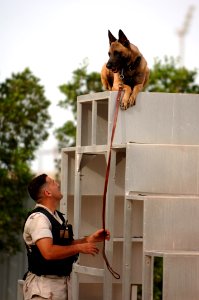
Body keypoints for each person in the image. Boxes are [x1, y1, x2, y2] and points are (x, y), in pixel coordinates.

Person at [23, 173, 110, 300]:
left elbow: (64, 245)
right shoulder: (39, 219)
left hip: (59, 287)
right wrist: (80, 248)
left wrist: (89, 239)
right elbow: (49, 252)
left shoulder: (56, 217)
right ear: (47, 192)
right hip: (43, 289)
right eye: (53, 182)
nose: (57, 184)